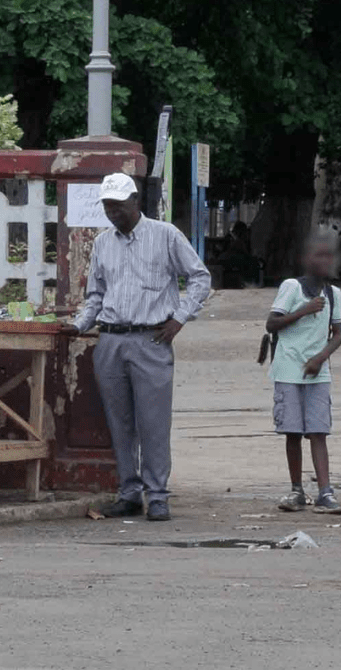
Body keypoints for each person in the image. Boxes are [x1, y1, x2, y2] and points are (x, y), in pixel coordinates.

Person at [68, 172, 212, 522]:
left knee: (153, 423)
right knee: (120, 422)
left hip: (151, 339)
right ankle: (129, 492)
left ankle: (158, 494)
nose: (113, 212)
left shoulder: (165, 235)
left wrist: (179, 318)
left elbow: (200, 277)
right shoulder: (103, 243)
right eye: (107, 207)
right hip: (111, 340)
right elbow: (96, 295)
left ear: (135, 202)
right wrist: (77, 325)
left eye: (118, 206)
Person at [266, 230, 341, 514]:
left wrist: (320, 358)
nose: (325, 261)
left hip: (318, 372)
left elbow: (337, 335)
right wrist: (304, 310)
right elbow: (271, 324)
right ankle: (296, 489)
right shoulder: (291, 287)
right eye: (319, 255)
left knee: (318, 432)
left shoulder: (334, 294)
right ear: (306, 260)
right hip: (288, 369)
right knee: (292, 432)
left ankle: (325, 491)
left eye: (329, 256)